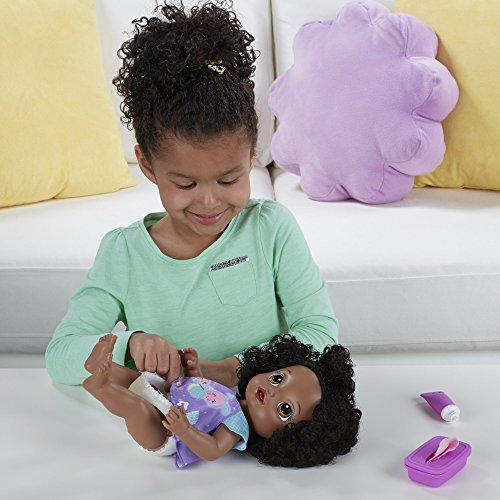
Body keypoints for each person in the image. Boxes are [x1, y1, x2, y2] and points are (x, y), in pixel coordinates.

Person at [45, 0, 338, 387]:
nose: (210, 202)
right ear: (147, 165)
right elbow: (61, 356)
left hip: (261, 418)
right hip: (177, 422)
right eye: (185, 185)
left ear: (252, 154)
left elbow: (320, 333)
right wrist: (129, 345)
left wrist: (233, 369)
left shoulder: (271, 230)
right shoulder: (124, 254)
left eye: (229, 180)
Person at [83, 333, 361, 468]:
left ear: (285, 438)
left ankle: (100, 387)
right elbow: (205, 394)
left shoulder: (237, 425)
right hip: (170, 400)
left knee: (137, 408)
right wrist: (194, 371)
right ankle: (99, 368)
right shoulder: (231, 397)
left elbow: (213, 450)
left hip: (167, 435)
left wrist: (184, 431)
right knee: (134, 379)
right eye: (278, 379)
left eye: (285, 409)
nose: (273, 392)